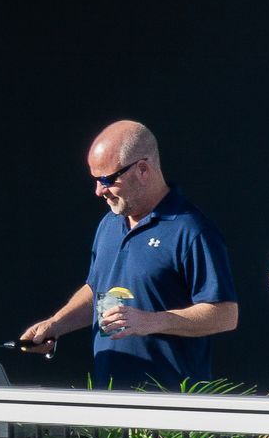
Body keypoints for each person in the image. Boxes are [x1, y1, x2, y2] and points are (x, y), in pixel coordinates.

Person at [20, 120, 238, 391]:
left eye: (107, 180)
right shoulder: (109, 224)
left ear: (143, 169)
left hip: (169, 408)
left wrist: (151, 320)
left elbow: (225, 315)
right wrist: (56, 325)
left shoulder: (191, 229)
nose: (99, 191)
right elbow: (97, 288)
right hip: (109, 400)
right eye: (96, 180)